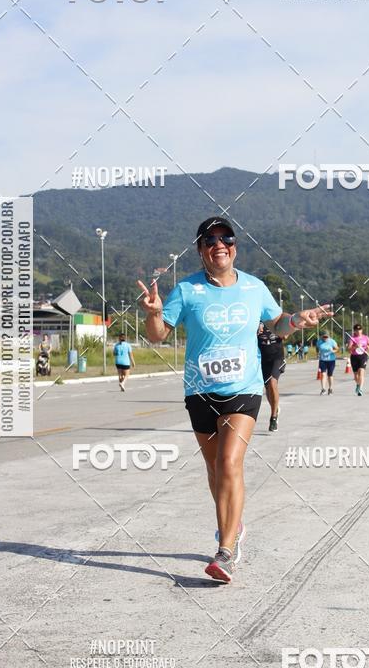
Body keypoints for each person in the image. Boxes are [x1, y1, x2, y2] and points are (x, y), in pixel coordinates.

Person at [137, 216, 330, 584]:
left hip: (243, 389)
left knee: (229, 462)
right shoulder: (186, 290)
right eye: (210, 240)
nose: (218, 244)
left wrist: (298, 319)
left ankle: (225, 552)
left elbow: (278, 323)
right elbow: (159, 335)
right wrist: (154, 313)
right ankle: (234, 525)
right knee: (215, 471)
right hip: (199, 390)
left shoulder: (254, 288)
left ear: (235, 247)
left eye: (225, 238)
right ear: (200, 250)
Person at [257, 322, 285, 431]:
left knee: (273, 383)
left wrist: (281, 330)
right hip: (263, 360)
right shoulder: (256, 323)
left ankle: (273, 418)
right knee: (268, 388)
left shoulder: (276, 323)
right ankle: (275, 408)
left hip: (277, 358)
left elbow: (286, 334)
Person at [347, 323, 369, 395]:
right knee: (356, 375)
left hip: (363, 356)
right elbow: (349, 349)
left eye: (360, 330)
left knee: (361, 371)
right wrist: (355, 347)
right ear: (354, 331)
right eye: (356, 330)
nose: (358, 331)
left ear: (362, 330)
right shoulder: (352, 338)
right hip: (354, 357)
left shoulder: (365, 337)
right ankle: (358, 384)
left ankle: (360, 389)